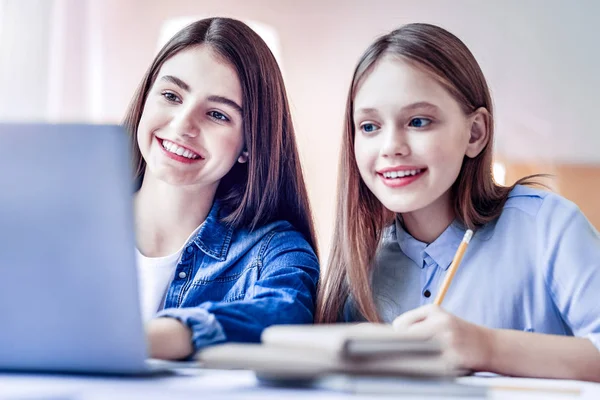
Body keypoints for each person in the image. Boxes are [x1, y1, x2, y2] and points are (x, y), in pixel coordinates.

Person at [316, 23, 600, 381]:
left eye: (419, 121)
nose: (391, 147)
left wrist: (487, 347)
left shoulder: (548, 226)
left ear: (475, 133)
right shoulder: (361, 263)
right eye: (370, 127)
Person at [122, 17, 319, 360]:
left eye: (217, 114)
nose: (183, 125)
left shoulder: (275, 252)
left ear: (249, 145)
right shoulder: (62, 223)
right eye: (171, 95)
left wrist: (155, 338)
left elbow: (284, 316)